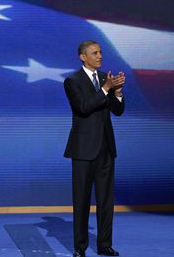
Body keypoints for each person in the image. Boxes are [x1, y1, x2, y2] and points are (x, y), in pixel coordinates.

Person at [63, 40, 125, 257]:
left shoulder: (103, 79)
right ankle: (80, 248)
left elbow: (117, 111)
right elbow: (83, 107)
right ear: (83, 57)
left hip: (106, 149)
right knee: (81, 200)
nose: (100, 56)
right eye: (94, 53)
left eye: (100, 52)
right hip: (83, 150)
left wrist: (117, 92)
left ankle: (104, 245)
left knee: (106, 201)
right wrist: (106, 89)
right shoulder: (72, 81)